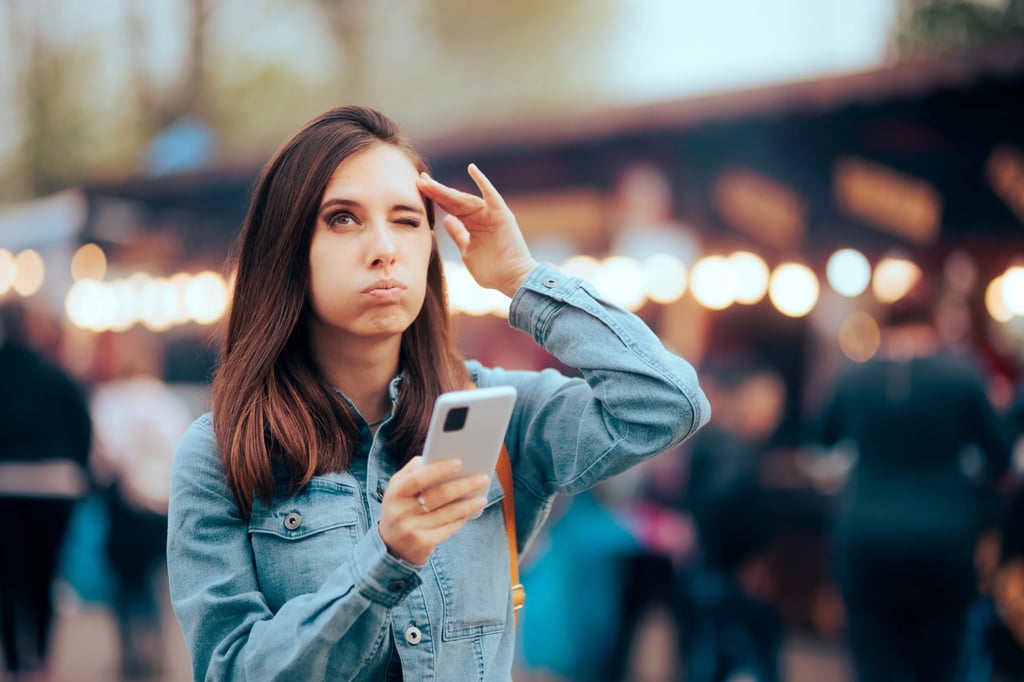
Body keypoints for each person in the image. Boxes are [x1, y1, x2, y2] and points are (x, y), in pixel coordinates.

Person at [166, 105, 710, 681]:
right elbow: (230, 671)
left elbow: (669, 403)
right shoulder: (220, 454)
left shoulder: (497, 416)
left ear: (431, 246)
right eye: (343, 219)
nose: (384, 249)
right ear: (288, 250)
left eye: (405, 219)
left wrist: (522, 278)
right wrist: (383, 560)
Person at [808, 287, 1011, 682]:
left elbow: (820, 441)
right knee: (939, 660)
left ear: (886, 328)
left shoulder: (853, 377)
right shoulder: (963, 373)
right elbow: (999, 458)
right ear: (933, 326)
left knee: (873, 659)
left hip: (865, 533)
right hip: (943, 533)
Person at [0, 302, 92, 681]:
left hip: (4, 486)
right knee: (45, 575)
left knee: (7, 581)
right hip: (56, 486)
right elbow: (82, 425)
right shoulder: (56, 375)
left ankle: (16, 664)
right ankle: (40, 660)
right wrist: (79, 473)